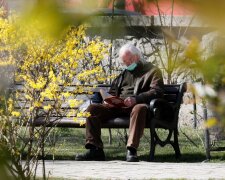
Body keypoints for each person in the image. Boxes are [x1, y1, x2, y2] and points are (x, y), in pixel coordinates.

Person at [75, 43, 164, 162]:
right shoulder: (124, 74)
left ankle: (131, 150)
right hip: (118, 107)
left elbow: (157, 91)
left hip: (137, 108)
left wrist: (136, 99)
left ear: (137, 56)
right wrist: (109, 101)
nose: (127, 64)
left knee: (139, 108)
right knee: (92, 109)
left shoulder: (153, 71)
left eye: (129, 60)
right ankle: (95, 150)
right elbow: (112, 91)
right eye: (124, 62)